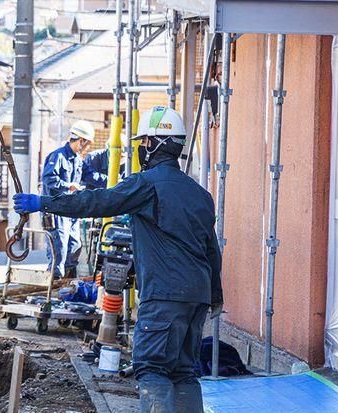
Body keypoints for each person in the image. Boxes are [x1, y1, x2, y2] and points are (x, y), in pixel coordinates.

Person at [14, 106, 223, 413]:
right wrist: (214, 295)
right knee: (184, 372)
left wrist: (44, 202)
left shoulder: (146, 183)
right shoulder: (200, 194)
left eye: (143, 142)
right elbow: (211, 249)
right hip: (197, 297)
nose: (140, 148)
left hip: (164, 294)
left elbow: (97, 201)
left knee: (152, 368)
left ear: (153, 144)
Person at [41, 120, 104, 278]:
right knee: (59, 249)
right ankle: (53, 287)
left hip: (70, 212)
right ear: (82, 141)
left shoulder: (77, 160)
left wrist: (113, 181)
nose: (88, 147)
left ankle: (67, 285)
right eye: (88, 143)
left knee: (74, 246)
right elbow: (49, 179)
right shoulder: (58, 156)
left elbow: (91, 175)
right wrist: (69, 186)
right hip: (55, 211)